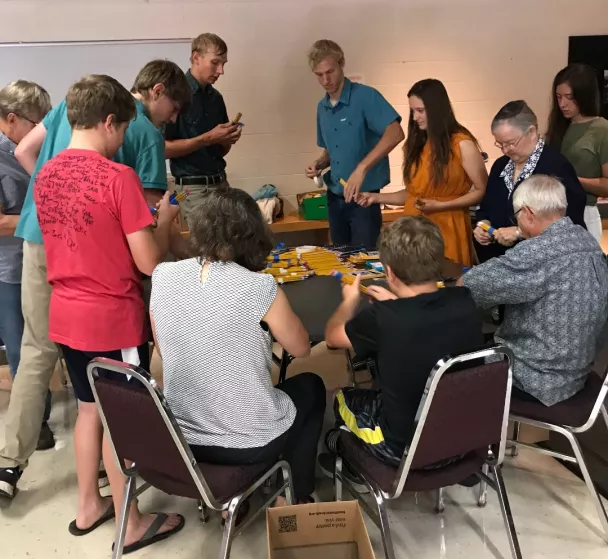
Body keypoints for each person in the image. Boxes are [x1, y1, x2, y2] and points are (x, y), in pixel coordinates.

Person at [0, 59, 190, 503]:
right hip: (107, 303)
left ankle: (20, 467)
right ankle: (130, 514)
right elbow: (144, 259)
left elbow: (25, 151)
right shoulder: (124, 163)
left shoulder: (48, 171)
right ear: (111, 121)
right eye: (122, 130)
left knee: (46, 362)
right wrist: (162, 223)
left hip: (50, 262)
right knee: (119, 407)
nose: (128, 135)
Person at [150, 188, 326, 506]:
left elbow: (165, 351)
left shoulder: (163, 276)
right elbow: (301, 348)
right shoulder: (257, 285)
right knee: (311, 386)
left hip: (179, 438)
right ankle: (295, 495)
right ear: (251, 234)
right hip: (248, 441)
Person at [317, 216, 484, 478]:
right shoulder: (464, 300)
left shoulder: (383, 318)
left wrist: (349, 301)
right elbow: (424, 319)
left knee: (341, 398)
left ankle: (352, 462)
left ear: (390, 272)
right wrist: (396, 303)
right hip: (465, 441)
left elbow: (332, 338)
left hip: (404, 448)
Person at [463, 175, 608, 406]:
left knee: (453, 363)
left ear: (528, 213)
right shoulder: (586, 240)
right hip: (578, 370)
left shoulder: (537, 252)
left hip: (537, 379)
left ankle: (477, 438)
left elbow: (471, 287)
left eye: (516, 216)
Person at [358, 79, 487, 266]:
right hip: (414, 229)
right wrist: (375, 198)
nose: (415, 117)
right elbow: (414, 195)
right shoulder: (417, 144)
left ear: (436, 109)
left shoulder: (462, 144)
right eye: (412, 111)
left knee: (445, 283)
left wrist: (441, 205)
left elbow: (481, 191)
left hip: (447, 227)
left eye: (420, 111)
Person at [305, 39, 404, 250]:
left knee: (364, 262)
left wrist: (361, 168)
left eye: (330, 71)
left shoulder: (366, 96)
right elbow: (331, 150)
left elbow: (395, 133)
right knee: (340, 259)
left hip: (363, 199)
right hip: (335, 196)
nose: (325, 80)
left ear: (341, 65)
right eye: (319, 75)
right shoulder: (322, 107)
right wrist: (319, 163)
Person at [0, 81, 55, 451]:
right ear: (12, 119)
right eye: (36, 123)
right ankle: (36, 427)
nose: (41, 132)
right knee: (24, 350)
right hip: (11, 271)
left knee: (44, 346)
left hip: (46, 263)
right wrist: (43, 217)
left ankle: (42, 416)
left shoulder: (36, 148)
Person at [474, 100, 586, 262]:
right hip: (503, 260)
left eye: (511, 143)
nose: (505, 150)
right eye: (500, 144)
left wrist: (520, 231)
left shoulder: (556, 167)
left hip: (541, 263)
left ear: (531, 132)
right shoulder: (500, 165)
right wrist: (483, 224)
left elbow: (570, 223)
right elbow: (486, 206)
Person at [165, 33, 242, 227]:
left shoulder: (216, 98)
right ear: (196, 57)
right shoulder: (174, 95)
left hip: (221, 183)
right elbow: (162, 148)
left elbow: (220, 151)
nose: (221, 70)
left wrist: (226, 139)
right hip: (193, 190)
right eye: (215, 63)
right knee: (207, 250)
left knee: (232, 244)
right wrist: (207, 138)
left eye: (224, 64)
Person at [546, 63, 608, 243]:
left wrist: (571, 178)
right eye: (558, 97)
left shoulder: (602, 129)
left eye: (569, 97)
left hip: (584, 213)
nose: (562, 104)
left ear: (584, 96)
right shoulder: (559, 127)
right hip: (553, 213)